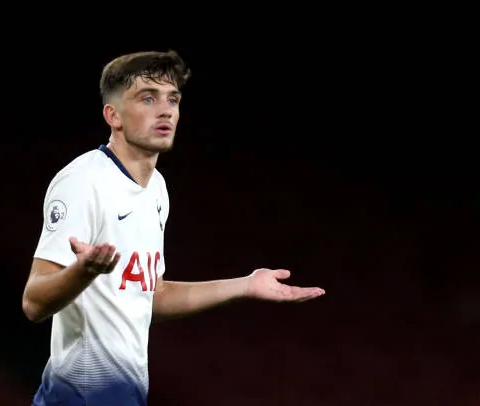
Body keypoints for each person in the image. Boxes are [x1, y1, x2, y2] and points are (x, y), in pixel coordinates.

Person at [22, 50, 326, 406]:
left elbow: (152, 297)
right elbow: (34, 303)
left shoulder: (156, 188)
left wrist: (245, 285)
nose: (165, 110)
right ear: (113, 115)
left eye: (172, 99)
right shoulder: (83, 182)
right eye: (148, 98)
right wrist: (83, 272)